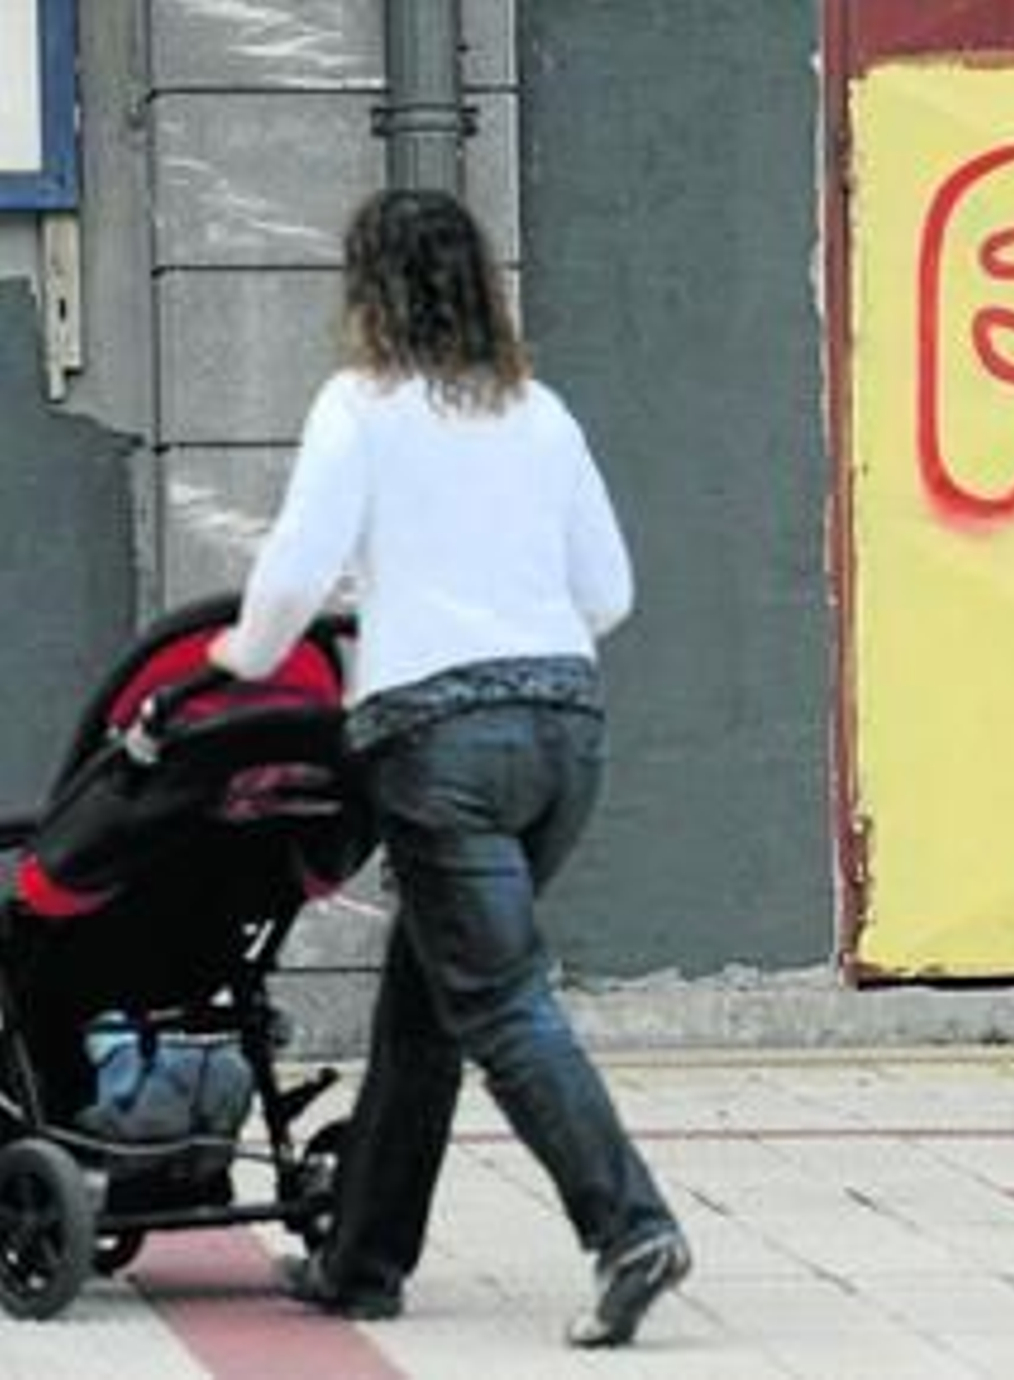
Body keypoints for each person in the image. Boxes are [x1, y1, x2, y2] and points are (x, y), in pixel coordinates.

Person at [208, 187, 690, 1347]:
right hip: (566, 732)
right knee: (429, 1009)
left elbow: (295, 568)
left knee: (500, 1000)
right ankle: (363, 1262)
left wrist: (242, 656)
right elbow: (609, 593)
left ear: (369, 290)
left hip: (438, 744)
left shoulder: (359, 406)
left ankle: (628, 1228)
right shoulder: (539, 410)